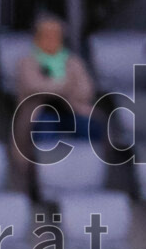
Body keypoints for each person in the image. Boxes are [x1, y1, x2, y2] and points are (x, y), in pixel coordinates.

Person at [12, 15, 98, 195]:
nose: (51, 39)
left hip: (71, 110)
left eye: (56, 35)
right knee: (45, 128)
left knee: (90, 127)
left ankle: (86, 178)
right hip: (39, 113)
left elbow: (86, 90)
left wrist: (56, 87)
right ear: (37, 38)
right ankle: (47, 184)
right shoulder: (27, 62)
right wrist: (66, 85)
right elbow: (34, 86)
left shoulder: (73, 62)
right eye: (46, 35)